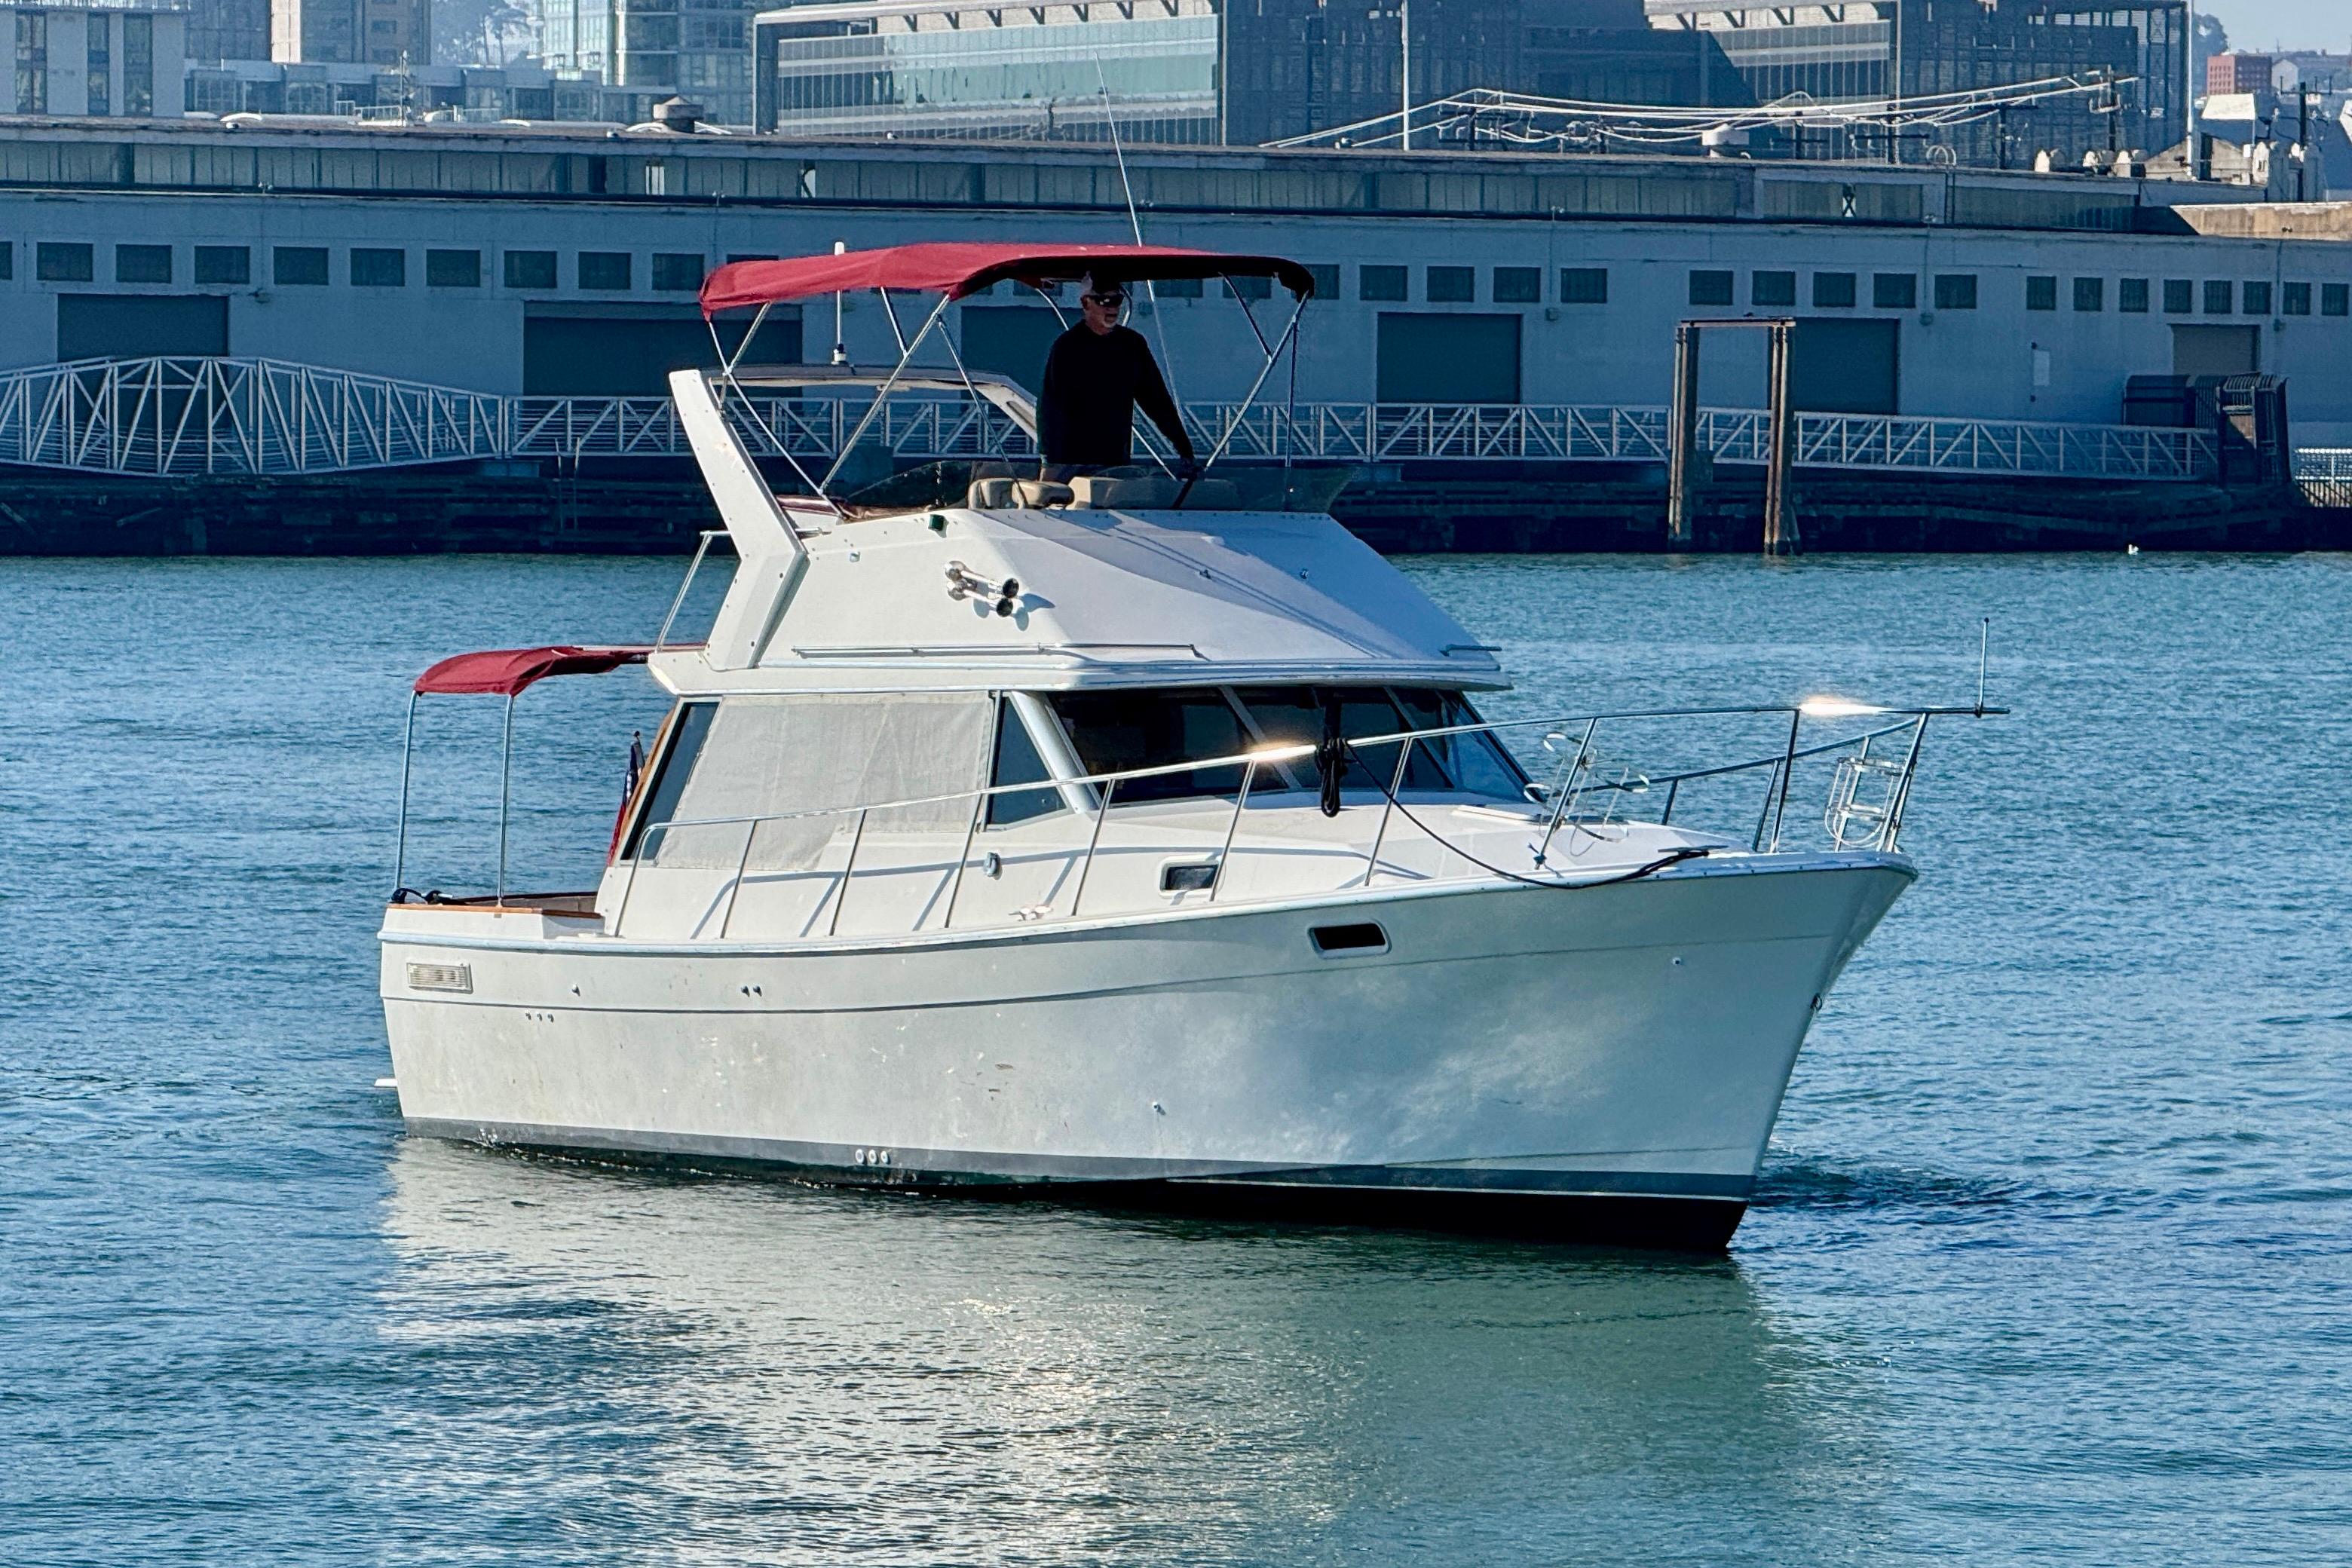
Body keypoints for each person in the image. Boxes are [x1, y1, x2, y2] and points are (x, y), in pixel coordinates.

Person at [1036, 274, 1196, 481]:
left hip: (1114, 459)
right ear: (1086, 303)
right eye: (1104, 301)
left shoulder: (1132, 345)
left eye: (1117, 301)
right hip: (1070, 460)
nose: (1112, 308)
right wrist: (1050, 462)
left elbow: (1156, 399)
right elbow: (1050, 406)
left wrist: (1183, 447)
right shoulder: (1067, 347)